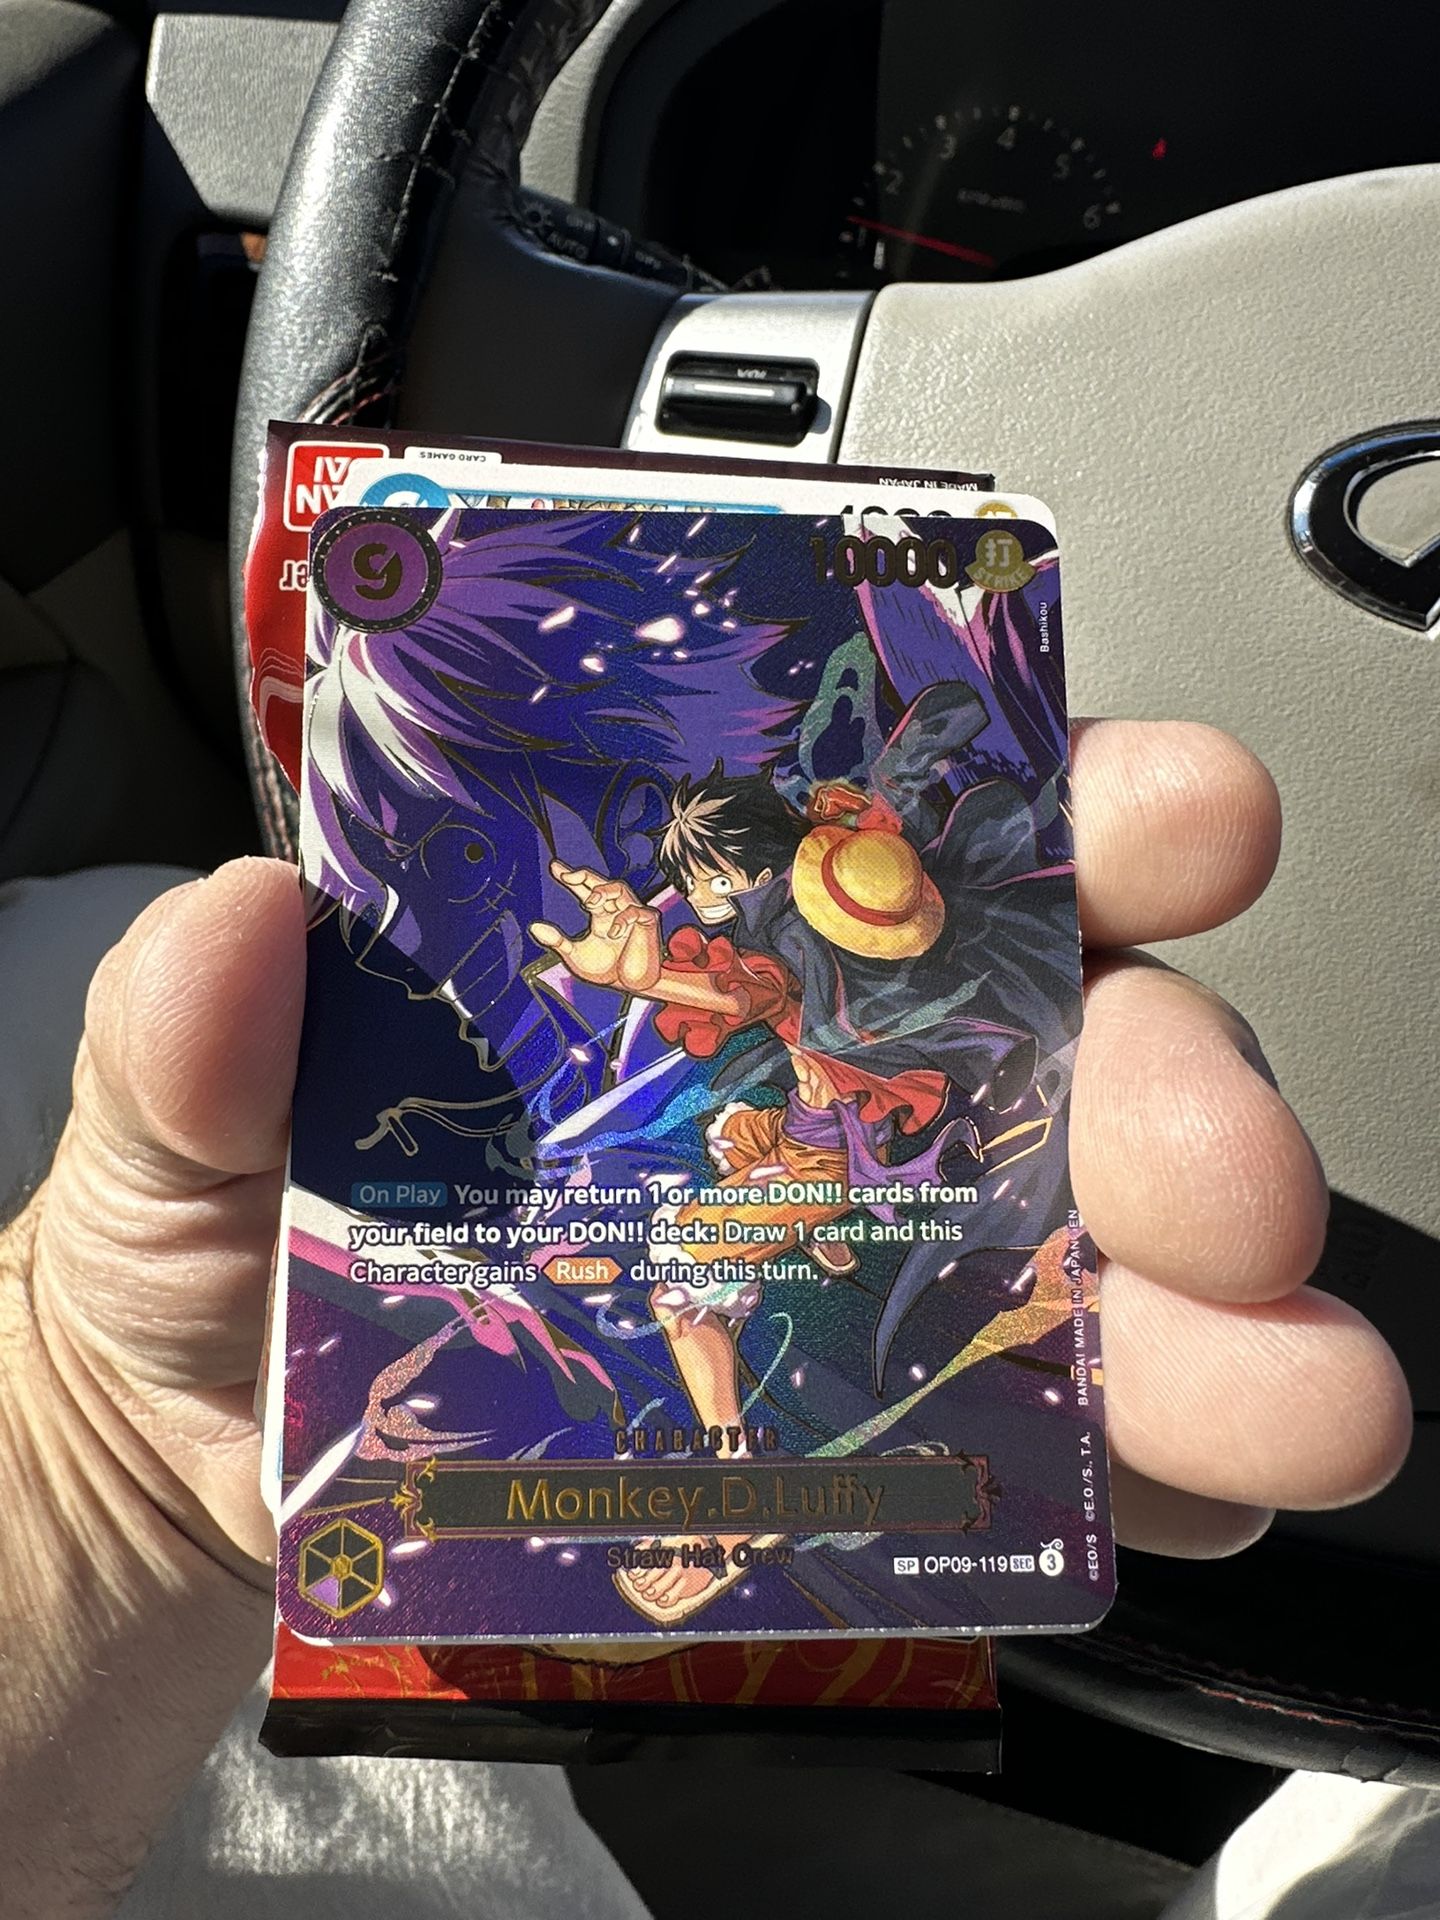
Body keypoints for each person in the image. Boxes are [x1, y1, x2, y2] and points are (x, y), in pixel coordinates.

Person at [0, 720, 1414, 1918]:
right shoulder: (775, 940)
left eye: (715, 877)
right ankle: (732, 1447)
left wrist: (97, 1452)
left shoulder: (814, 933)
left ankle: (734, 1447)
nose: (710, 897)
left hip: (852, 1150)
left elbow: (777, 998)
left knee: (682, 1267)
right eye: (708, 881)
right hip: (789, 1158)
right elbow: (745, 998)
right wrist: (95, 1452)